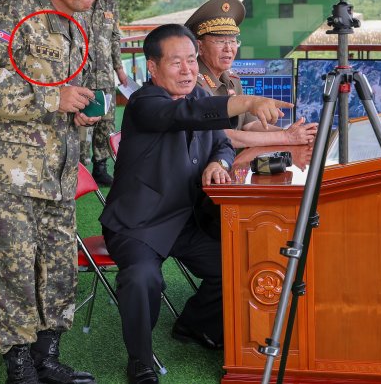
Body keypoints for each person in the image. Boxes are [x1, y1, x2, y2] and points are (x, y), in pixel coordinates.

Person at [100, 24, 291, 384]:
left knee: (238, 264)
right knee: (142, 278)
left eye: (191, 60)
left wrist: (217, 162)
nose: (188, 70)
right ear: (152, 68)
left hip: (185, 221)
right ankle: (140, 359)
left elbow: (220, 140)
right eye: (176, 63)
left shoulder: (193, 100)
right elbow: (182, 118)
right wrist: (248, 102)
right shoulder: (145, 104)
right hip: (139, 225)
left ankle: (193, 325)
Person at [0, 0, 112, 384]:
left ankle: (48, 359)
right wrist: (53, 100)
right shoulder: (16, 12)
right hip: (5, 174)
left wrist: (84, 111)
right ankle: (21, 366)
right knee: (13, 268)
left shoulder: (77, 22)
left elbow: (74, 89)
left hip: (58, 170)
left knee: (58, 266)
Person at [187, 0, 317, 148]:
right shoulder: (192, 83)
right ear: (199, 47)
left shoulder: (232, 79)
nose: (228, 48)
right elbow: (221, 136)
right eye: (220, 41)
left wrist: (293, 132)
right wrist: (285, 137)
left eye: (233, 41)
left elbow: (249, 124)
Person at [79, 0, 128, 186]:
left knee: (106, 123)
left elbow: (115, 39)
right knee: (82, 124)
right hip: (81, 76)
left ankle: (101, 167)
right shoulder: (75, 1)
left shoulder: (109, 4)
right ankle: (79, 170)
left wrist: (120, 69)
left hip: (106, 75)